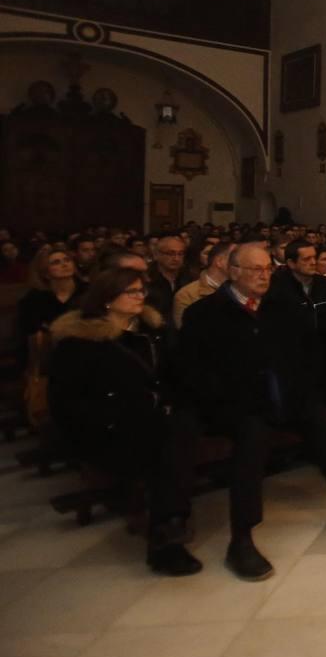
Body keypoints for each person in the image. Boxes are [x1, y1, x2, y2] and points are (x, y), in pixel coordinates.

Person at [177, 243, 326, 581]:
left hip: (290, 399)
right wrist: (238, 400)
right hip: (240, 407)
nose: (264, 276)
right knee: (251, 439)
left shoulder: (284, 307)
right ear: (233, 272)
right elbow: (196, 373)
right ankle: (241, 539)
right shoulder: (205, 315)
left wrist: (305, 392)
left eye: (267, 269)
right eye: (255, 270)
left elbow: (310, 354)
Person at [48, 268, 201, 576]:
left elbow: (173, 376)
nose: (139, 297)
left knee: (177, 432)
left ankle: (168, 527)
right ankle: (167, 535)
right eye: (131, 292)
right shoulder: (80, 342)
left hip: (155, 422)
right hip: (108, 430)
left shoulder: (151, 331)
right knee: (164, 444)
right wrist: (120, 416)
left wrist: (169, 402)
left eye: (141, 291)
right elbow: (68, 403)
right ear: (106, 300)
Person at [18, 248, 85, 427]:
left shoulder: (88, 292)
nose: (64, 264)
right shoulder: (34, 299)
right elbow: (31, 331)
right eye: (56, 262)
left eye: (67, 260)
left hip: (86, 350)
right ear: (45, 273)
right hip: (50, 355)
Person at [267, 240, 326, 333]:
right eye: (307, 259)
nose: (313, 262)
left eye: (314, 257)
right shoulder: (276, 288)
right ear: (291, 263)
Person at [173, 241, 234, 327]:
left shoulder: (243, 290)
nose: (242, 263)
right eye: (235, 259)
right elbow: (187, 334)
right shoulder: (187, 295)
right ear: (219, 261)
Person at [145, 236, 189, 320]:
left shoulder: (189, 278)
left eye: (180, 254)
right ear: (156, 255)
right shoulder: (146, 278)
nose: (176, 258)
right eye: (171, 253)